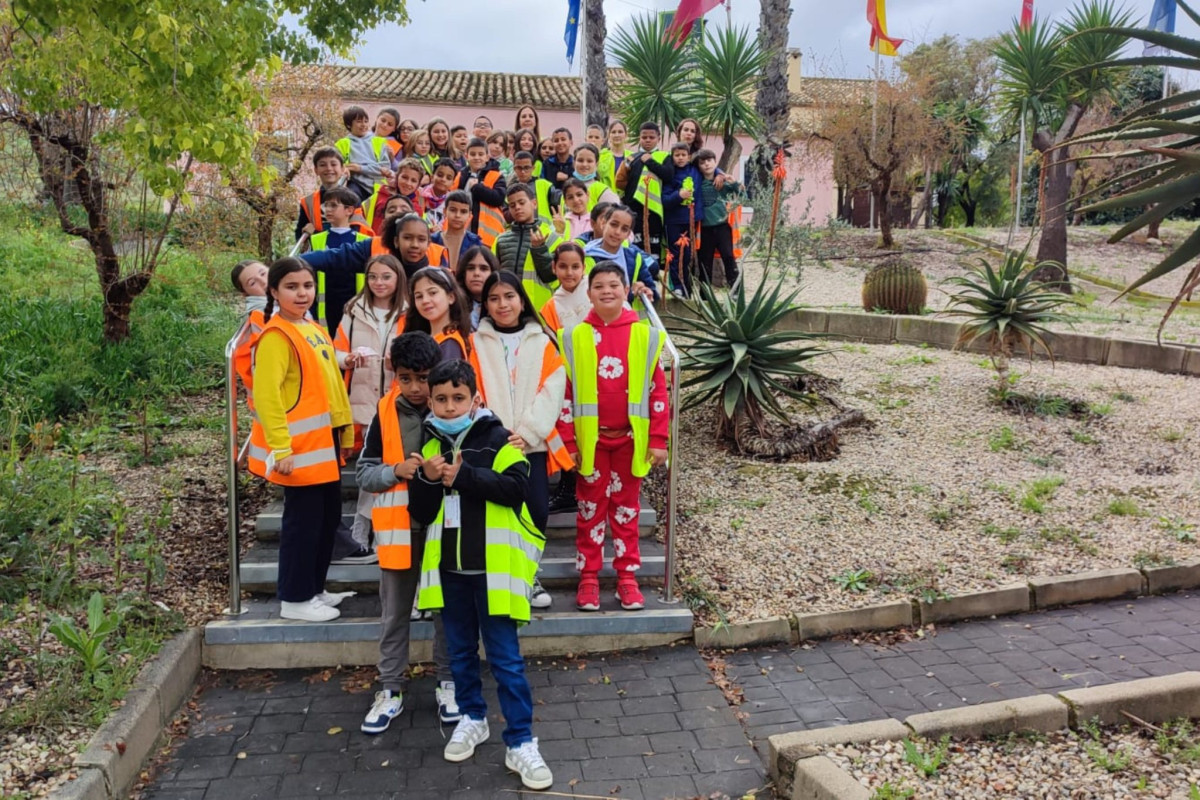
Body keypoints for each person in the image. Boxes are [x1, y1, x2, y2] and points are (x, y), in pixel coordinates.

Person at [408, 360, 553, 791]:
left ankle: (520, 740)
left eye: (458, 398)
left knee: (506, 660)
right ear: (431, 401)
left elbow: (517, 489)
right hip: (451, 574)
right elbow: (422, 512)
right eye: (441, 399)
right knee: (460, 654)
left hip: (495, 575)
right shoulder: (429, 444)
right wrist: (427, 479)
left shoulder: (498, 438)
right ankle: (473, 718)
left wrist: (465, 476)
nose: (450, 407)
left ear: (475, 399)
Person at [356, 331, 460, 733]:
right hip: (399, 530)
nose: (415, 387)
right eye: (406, 378)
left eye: (422, 378)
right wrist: (395, 471)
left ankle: (448, 681)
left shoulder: (454, 408)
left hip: (444, 529)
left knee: (446, 610)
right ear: (393, 374)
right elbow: (364, 473)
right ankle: (390, 688)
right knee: (394, 613)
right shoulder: (384, 413)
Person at [556, 261, 669, 612]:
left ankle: (626, 578)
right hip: (590, 443)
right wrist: (568, 442)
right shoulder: (573, 336)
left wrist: (658, 439)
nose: (607, 291)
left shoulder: (646, 336)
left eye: (613, 285)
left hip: (630, 442)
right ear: (588, 293)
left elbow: (658, 391)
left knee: (626, 510)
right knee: (589, 509)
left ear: (626, 291)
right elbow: (564, 394)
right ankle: (589, 576)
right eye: (599, 286)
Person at [247, 258, 355, 622]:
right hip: (299, 450)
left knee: (325, 521)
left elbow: (329, 382)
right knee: (303, 526)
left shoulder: (311, 327)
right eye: (291, 287)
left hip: (323, 445)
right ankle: (295, 598)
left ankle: (314, 589)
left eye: (307, 286)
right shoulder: (276, 336)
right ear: (274, 292)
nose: (302, 293)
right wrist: (281, 447)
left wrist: (343, 431)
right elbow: (267, 398)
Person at [468, 271, 571, 610]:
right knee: (498, 513)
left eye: (509, 296)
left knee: (536, 510)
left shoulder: (542, 341)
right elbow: (472, 391)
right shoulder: (474, 343)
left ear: (522, 301)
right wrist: (495, 433)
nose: (502, 304)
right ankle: (500, 576)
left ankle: (529, 574)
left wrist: (526, 433)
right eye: (494, 298)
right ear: (485, 304)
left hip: (531, 446)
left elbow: (553, 389)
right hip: (491, 447)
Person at [301, 213, 449, 332]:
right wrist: (296, 262)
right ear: (396, 241)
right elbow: (334, 257)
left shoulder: (439, 257)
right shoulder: (372, 247)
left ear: (428, 243)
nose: (414, 245)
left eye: (421, 239)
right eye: (407, 238)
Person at [538, 243, 589, 515]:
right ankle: (569, 488)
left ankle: (592, 487)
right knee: (569, 432)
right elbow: (550, 345)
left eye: (575, 266)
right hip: (568, 378)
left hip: (598, 375)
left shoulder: (596, 292)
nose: (569, 273)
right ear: (554, 268)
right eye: (563, 266)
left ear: (584, 267)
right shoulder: (551, 306)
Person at [493, 183, 555, 311]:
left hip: (539, 309)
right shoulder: (500, 240)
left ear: (534, 204)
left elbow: (551, 276)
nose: (517, 207)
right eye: (512, 205)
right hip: (506, 308)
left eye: (522, 203)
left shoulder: (550, 236)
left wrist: (539, 249)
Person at [581, 205, 660, 305]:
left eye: (624, 229)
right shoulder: (585, 257)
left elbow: (653, 295)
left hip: (629, 314)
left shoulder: (635, 258)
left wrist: (645, 290)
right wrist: (631, 293)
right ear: (603, 223)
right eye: (614, 225)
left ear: (628, 234)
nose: (617, 232)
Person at [617, 122, 674, 255]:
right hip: (634, 208)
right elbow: (620, 181)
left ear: (658, 138)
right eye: (644, 137)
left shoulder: (665, 156)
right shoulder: (631, 158)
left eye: (651, 137)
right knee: (635, 241)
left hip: (655, 209)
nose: (648, 140)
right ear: (639, 138)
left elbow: (669, 175)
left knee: (654, 243)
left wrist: (649, 162)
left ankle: (654, 267)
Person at [696, 148, 743, 288]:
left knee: (729, 257)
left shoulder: (724, 183)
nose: (706, 164)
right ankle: (705, 295)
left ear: (715, 162)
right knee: (705, 262)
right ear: (698, 166)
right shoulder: (697, 184)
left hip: (723, 227)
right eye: (702, 162)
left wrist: (734, 183)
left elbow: (743, 197)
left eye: (709, 160)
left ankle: (736, 291)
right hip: (704, 229)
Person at [404, 265, 473, 361]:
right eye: (419, 296)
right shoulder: (429, 339)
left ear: (451, 297)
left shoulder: (450, 343)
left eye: (432, 293)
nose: (425, 300)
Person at [663, 143, 704, 298]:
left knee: (688, 255)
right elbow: (665, 199)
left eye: (683, 155)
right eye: (677, 155)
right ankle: (677, 286)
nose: (680, 158)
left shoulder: (696, 170)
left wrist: (720, 174)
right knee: (675, 254)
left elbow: (711, 168)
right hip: (673, 220)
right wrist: (678, 196)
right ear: (672, 157)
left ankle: (687, 288)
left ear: (689, 156)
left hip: (692, 220)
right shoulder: (669, 174)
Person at [454, 138, 507, 247]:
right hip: (462, 232)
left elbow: (498, 199)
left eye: (480, 154)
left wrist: (477, 188)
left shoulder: (496, 175)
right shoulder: (460, 176)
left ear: (487, 157)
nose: (477, 157)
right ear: (466, 156)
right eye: (473, 154)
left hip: (487, 236)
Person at [229, 259, 270, 402]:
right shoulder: (260, 318)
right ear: (246, 294)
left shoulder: (289, 302)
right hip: (274, 404)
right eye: (253, 283)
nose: (263, 282)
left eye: (263, 273)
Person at [336, 106, 395, 202]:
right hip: (356, 186)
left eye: (366, 121)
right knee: (350, 201)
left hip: (378, 187)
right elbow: (341, 168)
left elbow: (385, 167)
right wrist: (347, 168)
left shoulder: (378, 142)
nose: (363, 124)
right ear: (349, 125)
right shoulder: (343, 144)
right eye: (359, 121)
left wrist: (360, 168)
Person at [296, 147, 351, 241]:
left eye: (333, 164)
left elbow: (358, 230)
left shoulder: (352, 200)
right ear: (316, 170)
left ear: (342, 169)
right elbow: (299, 236)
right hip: (319, 250)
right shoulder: (308, 202)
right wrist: (305, 232)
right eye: (323, 165)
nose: (329, 168)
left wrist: (316, 233)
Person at [309, 187, 372, 253]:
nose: (327, 209)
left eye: (333, 205)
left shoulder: (365, 241)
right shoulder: (316, 239)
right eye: (326, 205)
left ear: (349, 210)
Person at [432, 190, 482, 271]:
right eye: (453, 210)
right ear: (445, 211)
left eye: (463, 212)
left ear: (469, 215)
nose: (457, 215)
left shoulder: (474, 242)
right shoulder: (433, 240)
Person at [511, 152, 561, 228]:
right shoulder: (510, 189)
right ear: (514, 169)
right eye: (519, 168)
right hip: (519, 230)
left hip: (544, 230)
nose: (523, 171)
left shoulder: (544, 185)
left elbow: (560, 201)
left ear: (533, 168)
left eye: (526, 168)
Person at [454, 245, 497, 329]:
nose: (476, 273)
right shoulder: (452, 305)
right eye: (471, 268)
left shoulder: (501, 306)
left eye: (483, 269)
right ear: (463, 273)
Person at [571, 144, 620, 209]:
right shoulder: (568, 189)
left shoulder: (603, 191)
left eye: (589, 161)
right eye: (580, 160)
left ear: (597, 164)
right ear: (574, 163)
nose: (584, 164)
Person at [420, 158, 460, 234]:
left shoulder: (452, 203)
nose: (443, 179)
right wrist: (428, 229)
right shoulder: (420, 195)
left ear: (453, 183)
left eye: (448, 178)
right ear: (432, 177)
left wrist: (441, 232)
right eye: (440, 175)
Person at [598, 121, 632, 192]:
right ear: (608, 135)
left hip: (627, 197)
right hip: (605, 196)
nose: (617, 135)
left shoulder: (632, 157)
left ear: (626, 135)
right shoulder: (600, 156)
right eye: (613, 132)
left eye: (620, 132)